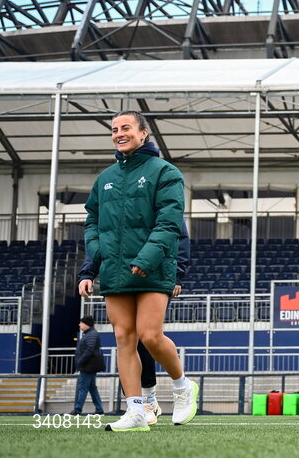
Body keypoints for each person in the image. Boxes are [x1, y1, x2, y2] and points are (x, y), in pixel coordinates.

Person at [78, 110, 197, 432]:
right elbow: (93, 223)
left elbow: (170, 222)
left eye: (126, 127)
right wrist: (90, 266)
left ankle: (183, 386)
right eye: (115, 129)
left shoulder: (165, 172)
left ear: (143, 133)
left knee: (149, 335)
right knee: (123, 338)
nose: (119, 133)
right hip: (115, 269)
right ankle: (135, 410)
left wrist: (145, 259)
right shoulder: (105, 178)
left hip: (153, 267)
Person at [80, 221, 191, 425]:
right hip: (118, 274)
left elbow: (177, 234)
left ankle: (171, 390)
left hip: (151, 273)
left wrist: (177, 274)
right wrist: (88, 271)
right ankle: (139, 405)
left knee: (148, 337)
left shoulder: (156, 194)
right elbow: (101, 233)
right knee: (126, 339)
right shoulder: (110, 195)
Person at [72, 315, 105, 416]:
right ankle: (99, 410)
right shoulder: (91, 334)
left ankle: (77, 410)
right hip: (89, 366)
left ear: (87, 324)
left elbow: (90, 349)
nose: (80, 324)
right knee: (92, 388)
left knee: (82, 388)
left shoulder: (91, 334)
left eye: (82, 323)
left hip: (87, 366)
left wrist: (80, 361)